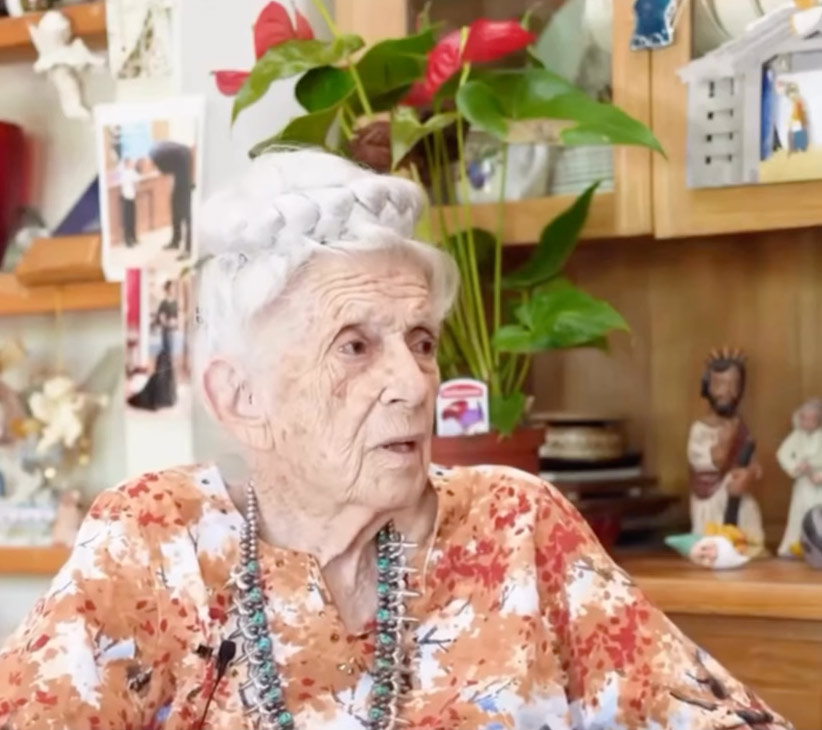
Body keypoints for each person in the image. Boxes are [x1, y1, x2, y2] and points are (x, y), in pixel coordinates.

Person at [0, 151, 792, 730]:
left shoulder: (515, 527)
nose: (414, 385)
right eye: (354, 346)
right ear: (240, 398)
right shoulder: (153, 543)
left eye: (421, 340)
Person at [687, 348, 765, 548]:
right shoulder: (700, 430)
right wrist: (728, 438)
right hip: (710, 501)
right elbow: (717, 460)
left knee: (749, 520)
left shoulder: (741, 426)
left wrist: (748, 474)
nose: (727, 392)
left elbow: (755, 466)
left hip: (736, 497)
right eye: (720, 384)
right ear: (707, 387)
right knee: (713, 541)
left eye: (734, 385)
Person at [776, 397, 822, 557]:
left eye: (812, 419)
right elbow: (782, 454)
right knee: (799, 514)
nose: (807, 423)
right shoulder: (797, 436)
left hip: (819, 484)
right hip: (803, 484)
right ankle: (795, 546)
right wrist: (796, 466)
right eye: (804, 419)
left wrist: (819, 475)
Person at [126, 280, 178, 411]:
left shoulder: (175, 303)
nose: (173, 290)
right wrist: (167, 323)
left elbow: (176, 316)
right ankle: (162, 392)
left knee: (170, 359)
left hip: (173, 331)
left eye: (173, 288)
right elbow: (161, 318)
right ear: (167, 289)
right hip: (166, 331)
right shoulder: (164, 303)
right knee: (165, 357)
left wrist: (175, 323)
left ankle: (168, 390)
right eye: (171, 288)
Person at [149, 139, 193, 259]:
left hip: (184, 181)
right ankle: (176, 241)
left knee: (187, 216)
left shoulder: (159, 155)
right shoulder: (161, 151)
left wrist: (161, 169)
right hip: (181, 178)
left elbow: (164, 170)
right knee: (177, 212)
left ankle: (188, 248)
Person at [119, 157, 139, 246]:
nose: (131, 164)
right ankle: (128, 240)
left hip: (132, 197)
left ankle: (133, 237)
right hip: (126, 198)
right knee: (128, 220)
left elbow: (137, 180)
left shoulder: (132, 172)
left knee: (132, 218)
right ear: (126, 164)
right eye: (130, 163)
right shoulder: (123, 173)